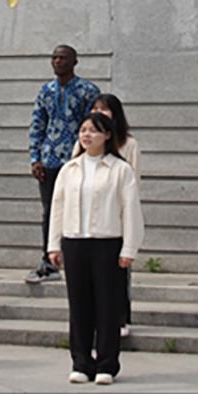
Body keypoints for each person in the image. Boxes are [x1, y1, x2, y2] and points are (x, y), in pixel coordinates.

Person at [47, 113, 144, 386]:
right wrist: (54, 244)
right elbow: (57, 207)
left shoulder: (120, 169)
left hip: (107, 243)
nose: (86, 135)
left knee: (108, 307)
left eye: (93, 130)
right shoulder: (70, 169)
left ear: (107, 135)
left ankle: (106, 364)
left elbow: (131, 210)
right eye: (83, 130)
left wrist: (129, 248)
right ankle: (80, 362)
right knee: (79, 306)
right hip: (75, 242)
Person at [26, 45, 101, 284]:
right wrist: (35, 157)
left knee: (82, 209)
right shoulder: (46, 90)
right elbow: (37, 124)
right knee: (50, 210)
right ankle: (49, 262)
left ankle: (83, 262)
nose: (58, 61)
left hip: (77, 159)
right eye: (55, 57)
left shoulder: (88, 91)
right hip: (50, 159)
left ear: (74, 62)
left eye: (63, 58)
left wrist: (89, 156)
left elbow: (94, 126)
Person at [70, 94, 140, 337]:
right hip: (86, 223)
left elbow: (133, 181)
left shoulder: (128, 144)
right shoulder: (83, 145)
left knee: (117, 276)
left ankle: (120, 318)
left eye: (105, 109)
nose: (99, 112)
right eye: (95, 108)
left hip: (114, 216)